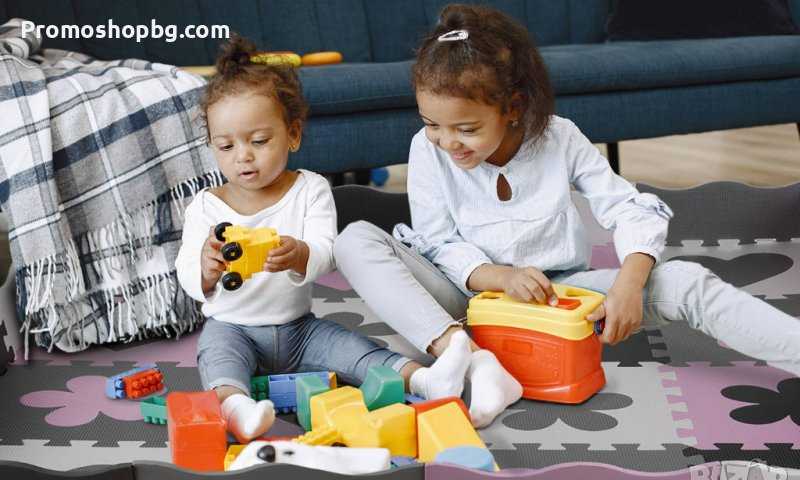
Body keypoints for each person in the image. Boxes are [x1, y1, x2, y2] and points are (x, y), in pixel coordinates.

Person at [334, 4, 800, 428]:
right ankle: (474, 360)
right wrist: (501, 277)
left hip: (559, 294)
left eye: (467, 128)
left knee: (688, 282)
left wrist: (628, 285)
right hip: (462, 299)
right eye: (432, 124)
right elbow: (436, 242)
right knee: (354, 239)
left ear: (513, 108)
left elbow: (630, 207)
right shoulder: (428, 149)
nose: (447, 141)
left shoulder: (560, 137)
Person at [175, 35, 471, 444]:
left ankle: (425, 380)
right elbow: (186, 272)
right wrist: (205, 271)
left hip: (299, 329)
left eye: (259, 141)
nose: (243, 155)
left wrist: (299, 254)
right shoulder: (205, 206)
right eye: (225, 146)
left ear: (293, 135)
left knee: (356, 349)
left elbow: (327, 251)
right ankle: (238, 410)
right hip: (233, 328)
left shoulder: (309, 188)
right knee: (219, 362)